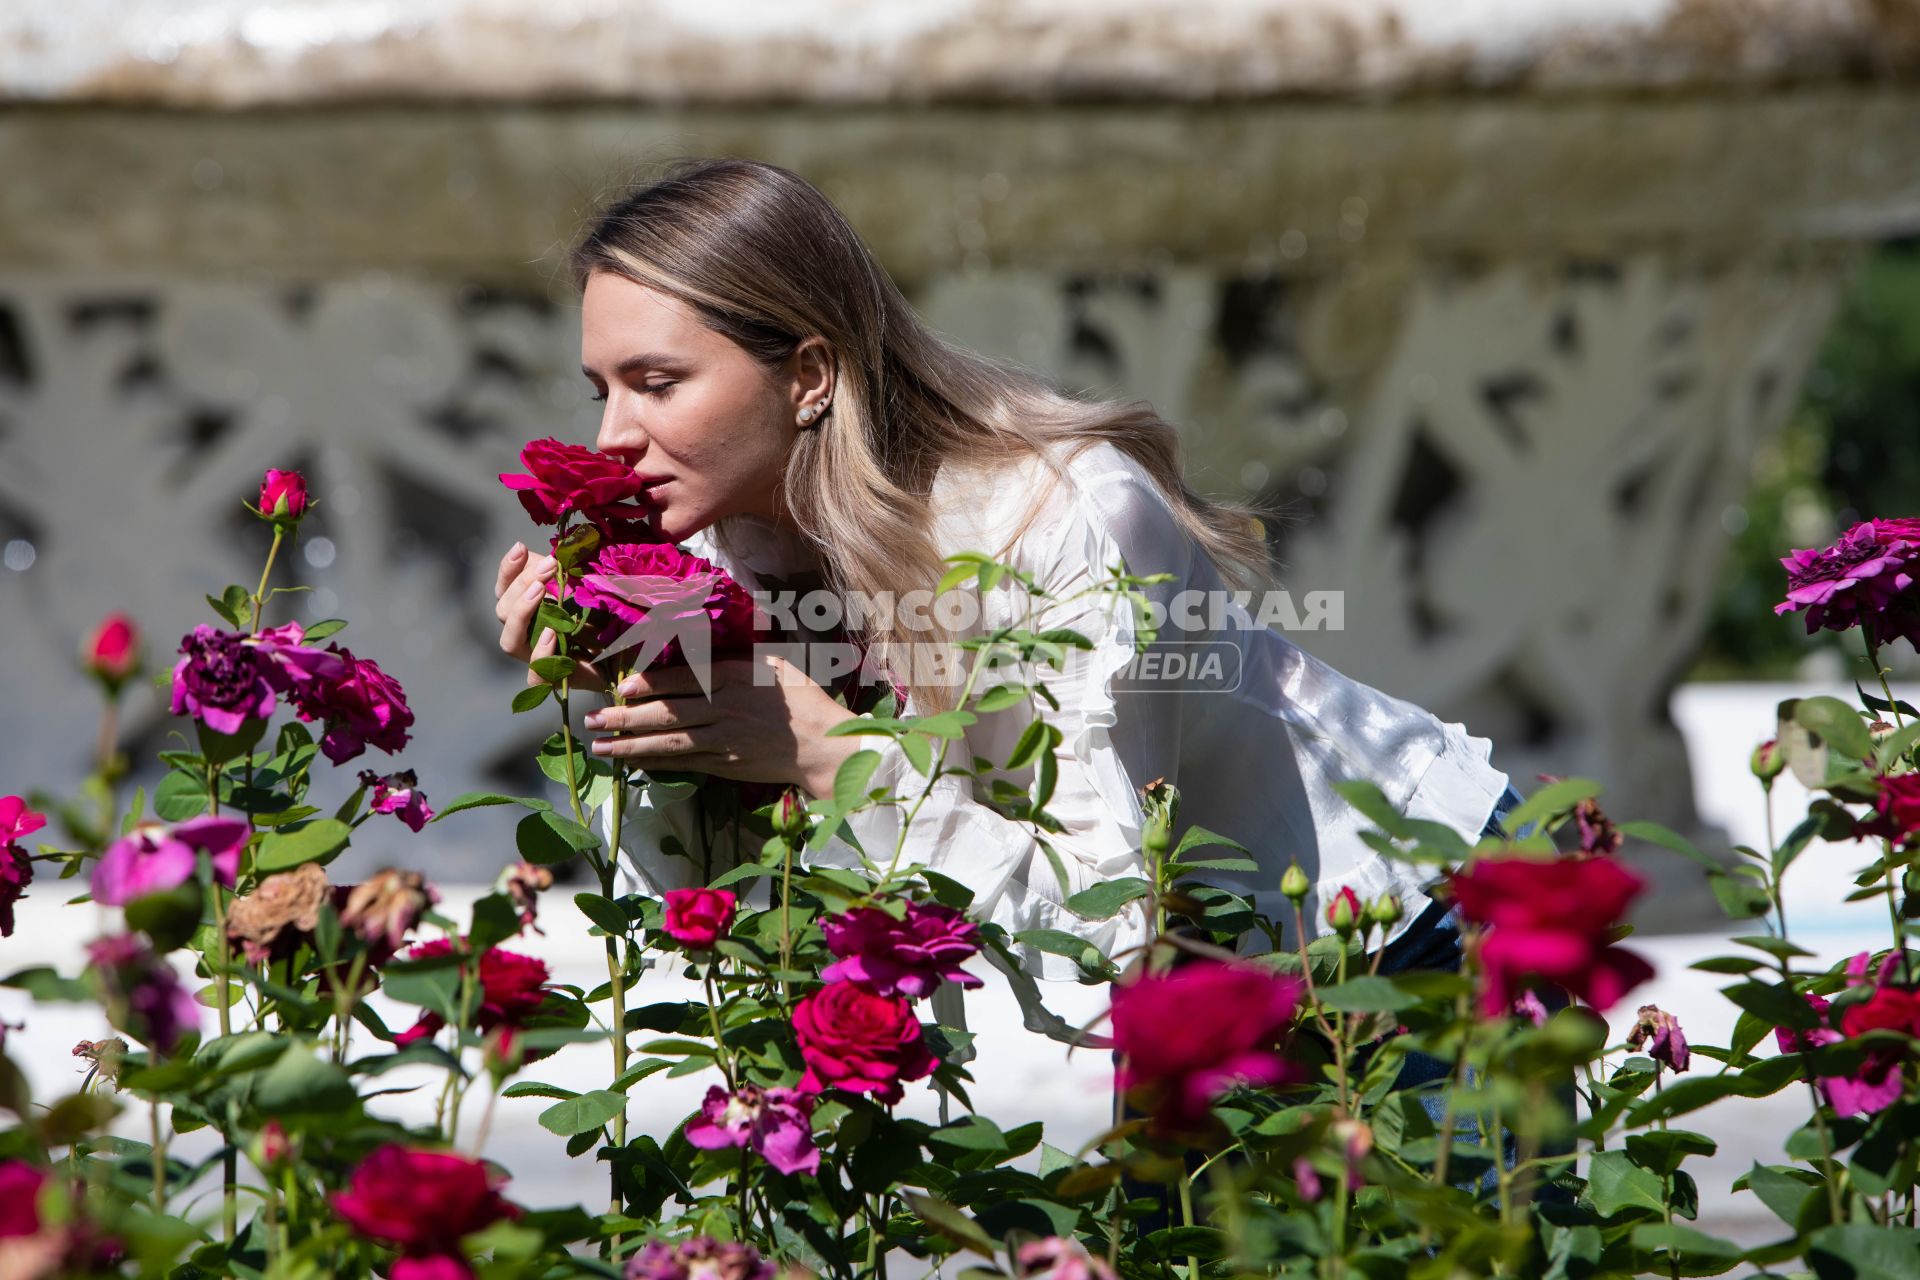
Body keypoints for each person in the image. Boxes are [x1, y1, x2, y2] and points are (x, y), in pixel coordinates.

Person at [490, 157, 1514, 980]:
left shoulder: (1063, 513)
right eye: (601, 391)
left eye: (658, 383)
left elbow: (1110, 925)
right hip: (1203, 977)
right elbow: (713, 919)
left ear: (808, 375)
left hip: (1407, 913)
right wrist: (632, 702)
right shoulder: (705, 548)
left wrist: (834, 756)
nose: (614, 434)